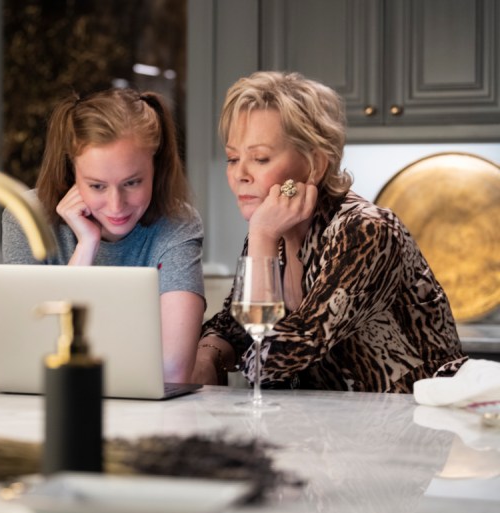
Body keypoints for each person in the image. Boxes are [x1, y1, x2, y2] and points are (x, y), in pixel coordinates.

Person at [192, 71, 467, 392]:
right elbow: (234, 326)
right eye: (233, 158)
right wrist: (206, 356)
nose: (240, 174)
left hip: (412, 427)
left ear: (315, 164)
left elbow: (268, 362)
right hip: (329, 429)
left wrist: (262, 237)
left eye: (260, 158)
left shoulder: (365, 231)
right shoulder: (273, 223)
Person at [3, 87, 205, 383]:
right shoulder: (26, 218)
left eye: (132, 183)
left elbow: (173, 370)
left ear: (156, 167)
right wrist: (86, 247)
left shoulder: (179, 224)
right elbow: (28, 354)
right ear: (72, 172)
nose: (116, 205)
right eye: (97, 186)